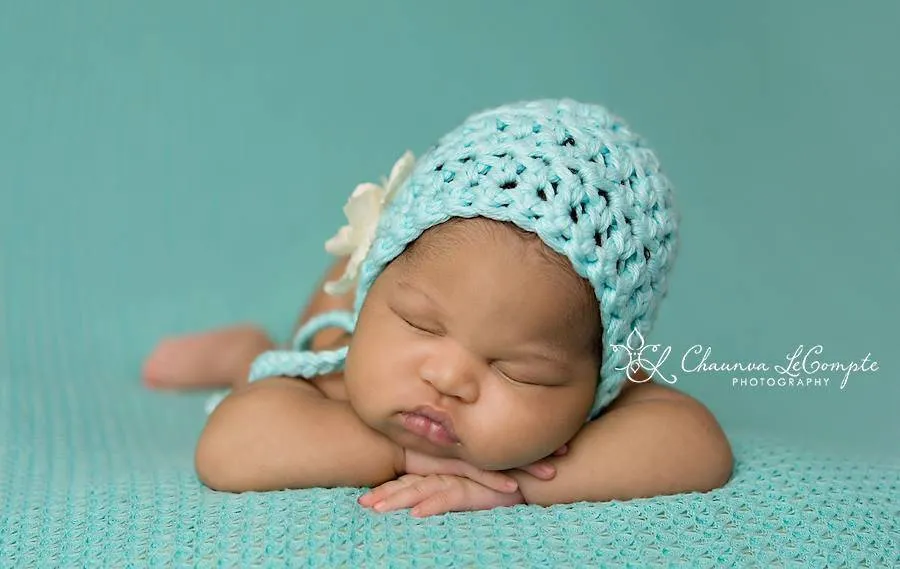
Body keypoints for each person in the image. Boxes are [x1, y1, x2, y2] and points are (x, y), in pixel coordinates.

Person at [143, 99, 733, 518]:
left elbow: (699, 445)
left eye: (517, 370)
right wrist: (405, 454)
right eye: (421, 326)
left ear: (600, 382)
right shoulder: (347, 382)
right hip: (336, 335)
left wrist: (517, 484)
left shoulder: (599, 388)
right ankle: (245, 345)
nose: (448, 378)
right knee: (302, 344)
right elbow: (228, 449)